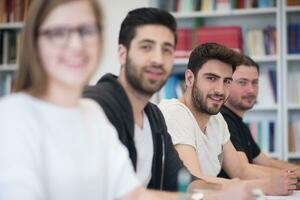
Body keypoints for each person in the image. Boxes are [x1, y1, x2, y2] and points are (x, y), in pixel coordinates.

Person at [0, 1, 183, 199]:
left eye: (87, 31)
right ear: (35, 43)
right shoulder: (13, 117)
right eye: (59, 32)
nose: (77, 45)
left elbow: (133, 195)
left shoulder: (92, 114)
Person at [84, 7, 252, 200]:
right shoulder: (96, 107)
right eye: (146, 47)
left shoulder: (154, 117)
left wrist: (231, 190)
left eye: (166, 50)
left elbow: (184, 182)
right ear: (122, 54)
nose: (158, 59)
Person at [159, 43, 298, 196]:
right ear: (190, 78)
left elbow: (241, 170)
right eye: (211, 78)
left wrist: (289, 180)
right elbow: (194, 182)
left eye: (226, 81)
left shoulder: (216, 119)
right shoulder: (174, 113)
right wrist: (264, 185)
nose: (220, 90)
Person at [218, 54, 300, 189]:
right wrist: (293, 176)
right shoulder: (223, 119)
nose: (251, 90)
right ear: (227, 83)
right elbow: (242, 171)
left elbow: (264, 161)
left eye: (255, 82)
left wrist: (296, 170)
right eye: (242, 82)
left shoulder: (240, 124)